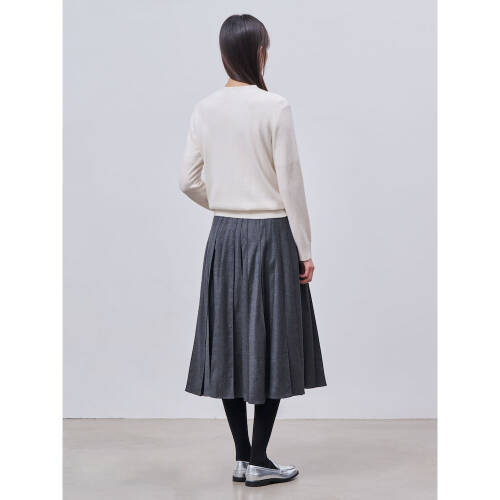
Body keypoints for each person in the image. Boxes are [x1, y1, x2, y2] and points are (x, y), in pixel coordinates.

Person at [179, 13, 326, 487]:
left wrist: (224, 202)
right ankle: (259, 457)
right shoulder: (274, 107)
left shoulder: (205, 108)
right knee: (273, 341)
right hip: (271, 236)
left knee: (229, 342)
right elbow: (291, 184)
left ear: (225, 54)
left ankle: (244, 458)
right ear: (258, 53)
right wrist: (305, 248)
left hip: (224, 238)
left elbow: (187, 181)